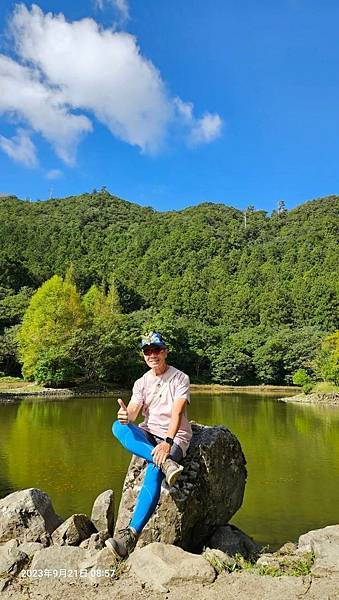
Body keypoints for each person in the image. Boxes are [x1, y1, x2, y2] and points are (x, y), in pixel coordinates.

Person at [105, 331, 192, 559]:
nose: (152, 354)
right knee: (117, 427)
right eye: (147, 351)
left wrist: (168, 443)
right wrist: (126, 416)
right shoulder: (141, 382)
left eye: (156, 350)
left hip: (175, 436)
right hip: (149, 432)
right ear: (143, 355)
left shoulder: (180, 378)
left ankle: (129, 537)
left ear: (164, 351)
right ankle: (166, 464)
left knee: (153, 471)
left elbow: (177, 413)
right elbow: (133, 410)